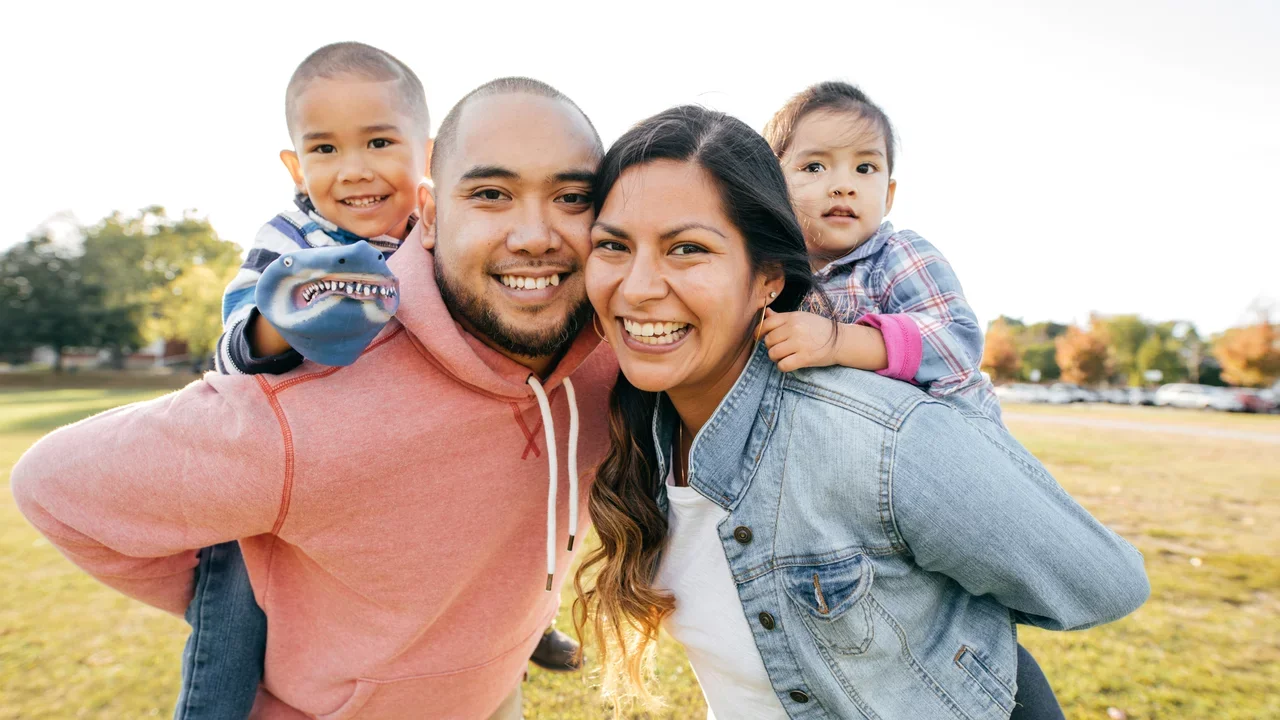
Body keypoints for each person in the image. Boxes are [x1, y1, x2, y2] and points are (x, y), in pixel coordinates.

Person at [12, 77, 613, 720]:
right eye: (491, 194)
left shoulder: (608, 356)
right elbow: (51, 485)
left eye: (572, 196)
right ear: (431, 214)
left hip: (493, 696)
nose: (533, 235)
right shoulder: (302, 403)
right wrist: (262, 603)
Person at [574, 105, 1149, 720]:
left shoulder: (875, 437)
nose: (636, 287)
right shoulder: (645, 428)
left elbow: (1106, 582)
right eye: (613, 245)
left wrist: (958, 635)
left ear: (768, 277)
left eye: (687, 249)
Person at [184, 43, 583, 720]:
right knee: (231, 613)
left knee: (494, 526)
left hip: (406, 450)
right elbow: (231, 354)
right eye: (326, 150)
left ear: (426, 156)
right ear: (295, 165)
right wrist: (283, 320)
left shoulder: (433, 230)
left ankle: (528, 626)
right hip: (275, 471)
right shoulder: (290, 241)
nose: (355, 170)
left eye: (377, 142)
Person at [759, 81, 1004, 423]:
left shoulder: (897, 256)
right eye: (814, 167)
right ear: (772, 186)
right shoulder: (768, 275)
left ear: (888, 195)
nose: (844, 186)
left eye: (864, 168)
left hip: (954, 442)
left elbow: (956, 345)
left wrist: (838, 342)